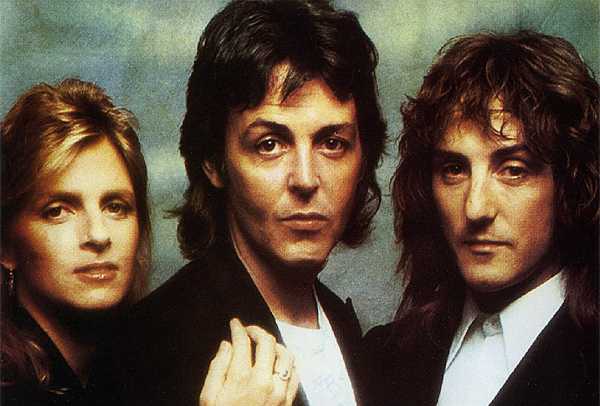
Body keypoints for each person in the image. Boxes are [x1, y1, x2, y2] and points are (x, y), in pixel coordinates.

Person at [97, 0, 386, 405]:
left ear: (362, 159)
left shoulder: (348, 327)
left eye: (332, 143)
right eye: (269, 144)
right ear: (214, 162)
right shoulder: (147, 349)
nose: (306, 179)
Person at [362, 30, 599, 406]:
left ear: (569, 185)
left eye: (513, 170)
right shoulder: (381, 358)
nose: (475, 208)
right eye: (454, 170)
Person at [0, 78, 152, 405]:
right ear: (6, 246)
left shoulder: (138, 374)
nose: (98, 235)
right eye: (58, 211)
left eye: (115, 207)